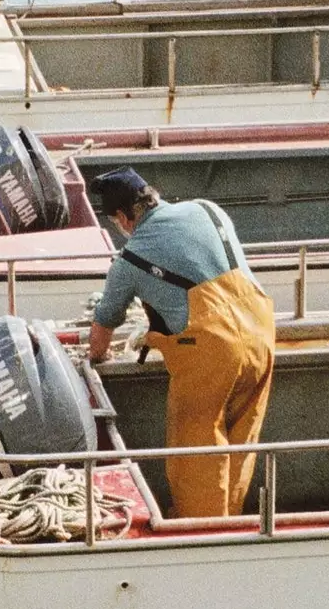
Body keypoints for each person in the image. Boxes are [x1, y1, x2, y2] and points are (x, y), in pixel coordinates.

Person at [87, 171, 276, 519]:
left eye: (118, 223)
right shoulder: (207, 208)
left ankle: (201, 528)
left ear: (125, 218)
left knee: (197, 447)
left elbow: (102, 329)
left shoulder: (129, 260)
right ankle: (232, 519)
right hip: (262, 329)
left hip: (212, 350)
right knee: (242, 439)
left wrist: (96, 356)